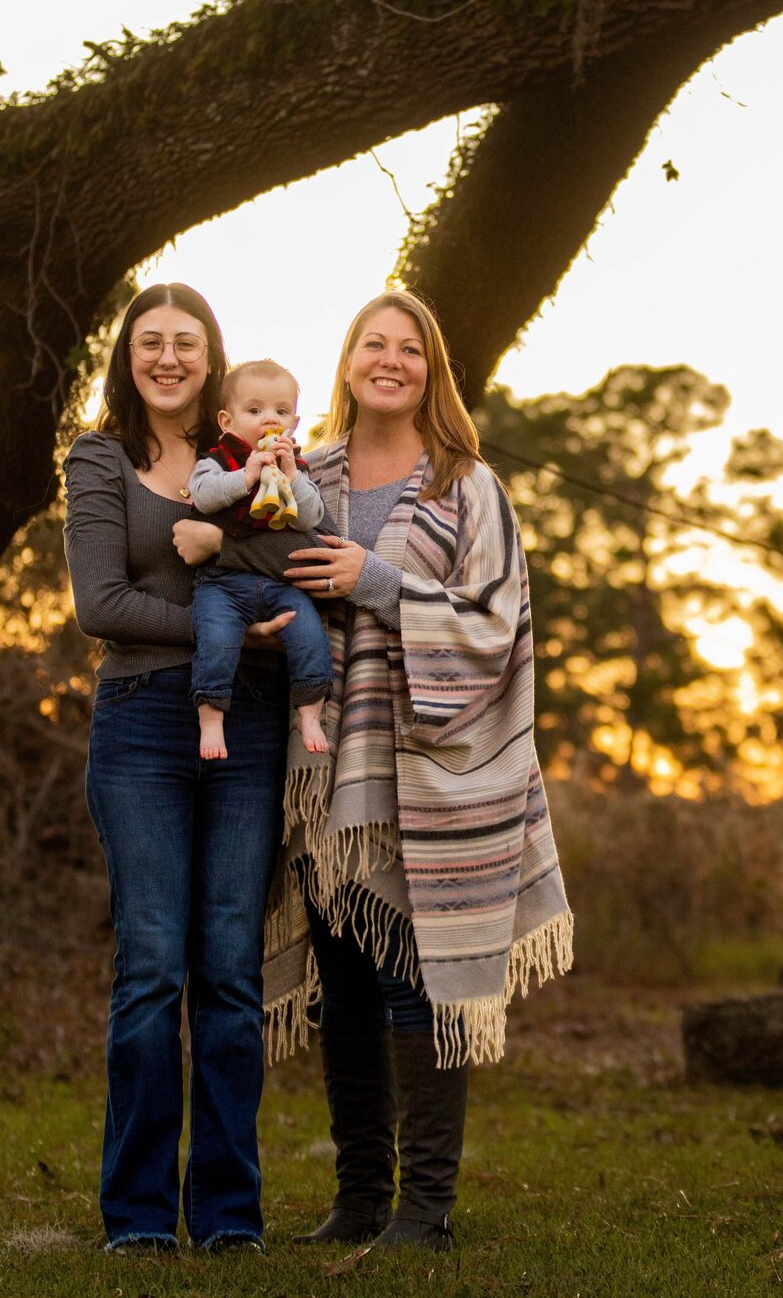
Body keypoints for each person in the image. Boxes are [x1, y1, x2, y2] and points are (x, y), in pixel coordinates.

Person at [270, 288, 575, 1252]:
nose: (389, 359)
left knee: (420, 976)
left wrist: (377, 581)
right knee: (344, 981)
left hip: (433, 769)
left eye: (410, 347)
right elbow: (250, 572)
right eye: (374, 343)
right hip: (323, 769)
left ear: (430, 369)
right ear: (350, 360)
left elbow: (496, 621)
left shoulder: (465, 486)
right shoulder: (301, 469)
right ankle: (360, 1197)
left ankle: (425, 1210)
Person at [62, 283, 291, 1256]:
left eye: (185, 343)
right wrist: (233, 629)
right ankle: (142, 1218)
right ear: (128, 355)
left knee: (232, 972)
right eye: (149, 341)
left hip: (249, 730)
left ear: (210, 357)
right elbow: (101, 604)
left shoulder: (246, 449)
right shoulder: (99, 456)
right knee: (153, 969)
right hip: (141, 727)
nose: (167, 357)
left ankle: (230, 1215)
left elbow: (299, 544)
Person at [186, 359, 332, 762]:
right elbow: (204, 496)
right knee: (216, 638)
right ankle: (211, 717)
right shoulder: (217, 460)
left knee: (309, 636)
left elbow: (310, 519)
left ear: (295, 423)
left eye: (281, 412)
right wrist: (246, 477)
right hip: (222, 582)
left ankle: (309, 711)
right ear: (226, 420)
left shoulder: (296, 466)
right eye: (255, 411)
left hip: (279, 584)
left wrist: (293, 476)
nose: (270, 420)